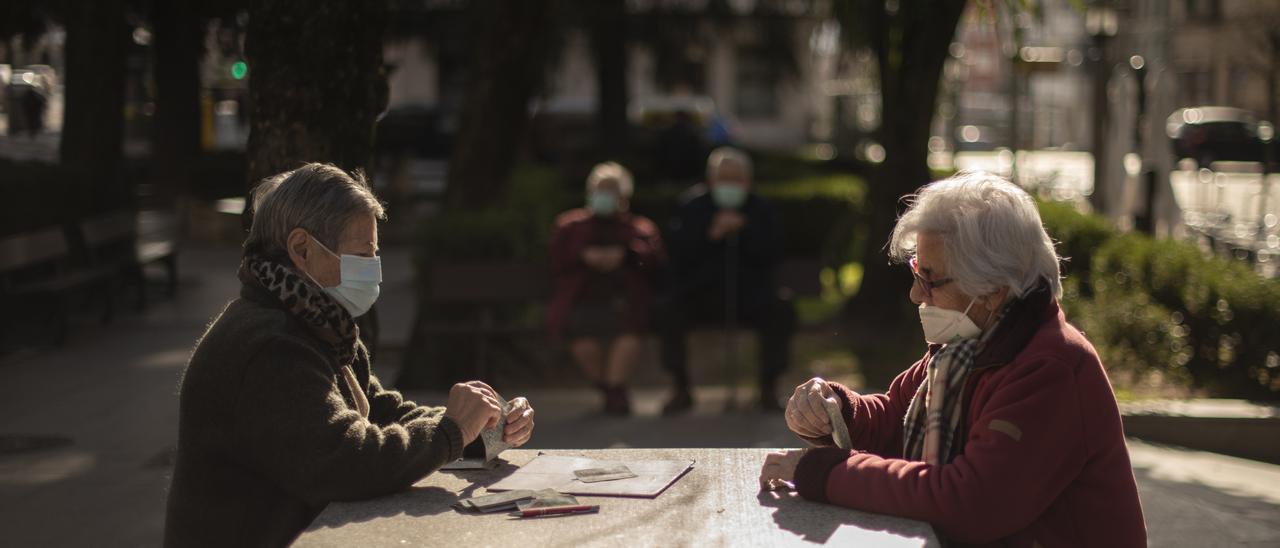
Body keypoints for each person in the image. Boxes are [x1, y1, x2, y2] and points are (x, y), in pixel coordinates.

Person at [759, 172, 1146, 546]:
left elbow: (971, 502)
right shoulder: (972, 342)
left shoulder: (1051, 367)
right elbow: (897, 416)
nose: (915, 294)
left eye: (929, 278)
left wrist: (824, 472)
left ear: (992, 288)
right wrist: (839, 412)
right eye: (916, 270)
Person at [164, 164, 537, 547]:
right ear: (301, 249)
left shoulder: (315, 320)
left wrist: (481, 426)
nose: (373, 270)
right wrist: (450, 431)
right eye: (362, 254)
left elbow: (378, 410)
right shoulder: (270, 345)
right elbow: (344, 459)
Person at [658, 147, 796, 414]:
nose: (729, 185)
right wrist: (712, 234)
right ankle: (680, 388)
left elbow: (773, 253)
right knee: (668, 310)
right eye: (723, 179)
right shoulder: (692, 207)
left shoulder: (761, 209)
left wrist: (745, 231)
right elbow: (678, 255)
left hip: (750, 295)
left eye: (736, 179)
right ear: (710, 181)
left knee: (781, 310)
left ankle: (768, 387)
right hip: (701, 294)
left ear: (747, 181)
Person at [548, 162, 665, 415]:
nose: (605, 197)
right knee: (580, 335)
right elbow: (557, 260)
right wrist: (583, 256)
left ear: (624, 197)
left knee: (630, 330)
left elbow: (654, 260)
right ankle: (613, 392)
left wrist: (626, 255)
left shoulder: (639, 228)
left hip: (625, 301)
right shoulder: (570, 226)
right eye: (600, 190)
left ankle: (614, 393)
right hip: (581, 301)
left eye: (612, 191)